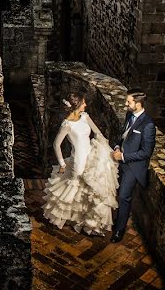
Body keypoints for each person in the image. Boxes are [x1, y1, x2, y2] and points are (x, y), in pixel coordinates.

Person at [42, 94, 117, 236]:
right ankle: (76, 218)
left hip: (91, 156)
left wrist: (100, 147)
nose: (86, 105)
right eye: (83, 103)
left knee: (90, 189)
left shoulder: (85, 117)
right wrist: (62, 164)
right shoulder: (67, 124)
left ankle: (88, 223)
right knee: (77, 188)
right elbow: (56, 144)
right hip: (78, 160)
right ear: (76, 106)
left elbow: (97, 132)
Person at [111, 88, 156, 243]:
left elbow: (145, 153)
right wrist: (117, 146)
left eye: (128, 101)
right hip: (120, 159)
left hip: (133, 166)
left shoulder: (148, 125)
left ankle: (119, 230)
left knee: (124, 196)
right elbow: (124, 135)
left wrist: (123, 156)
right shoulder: (130, 115)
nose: (125, 104)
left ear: (138, 103)